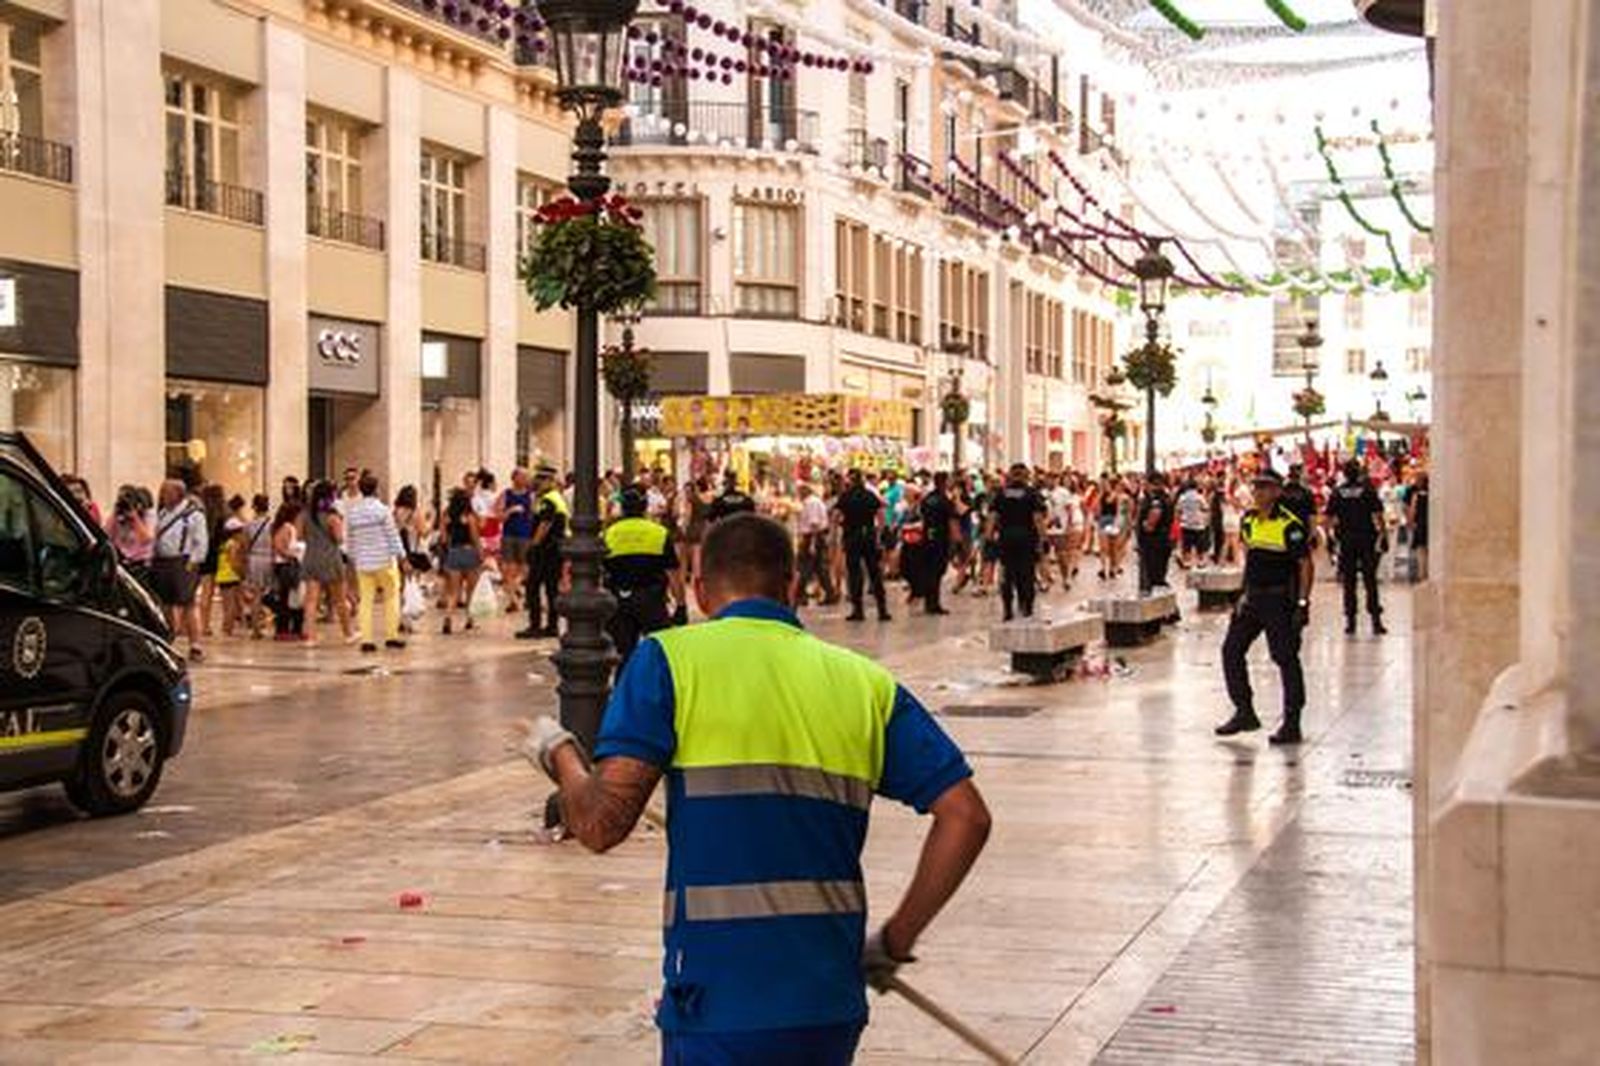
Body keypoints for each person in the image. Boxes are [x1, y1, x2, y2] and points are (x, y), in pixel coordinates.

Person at [523, 513, 991, 1065]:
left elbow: (600, 824)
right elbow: (966, 816)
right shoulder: (865, 683)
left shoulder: (669, 662)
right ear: (792, 586)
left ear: (699, 591)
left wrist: (559, 753)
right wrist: (894, 941)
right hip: (827, 1004)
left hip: (720, 1001)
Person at [1215, 468, 1314, 746]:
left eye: (1265, 487)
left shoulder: (1289, 525)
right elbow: (1251, 558)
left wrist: (1303, 602)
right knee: (1231, 650)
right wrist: (1243, 594)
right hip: (1253, 598)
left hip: (1280, 599)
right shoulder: (1248, 520)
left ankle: (1292, 722)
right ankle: (1244, 711)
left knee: (1284, 658)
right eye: (1256, 487)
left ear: (1277, 492)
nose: (1258, 492)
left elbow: (1305, 564)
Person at [602, 485, 682, 673]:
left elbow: (600, 569)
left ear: (623, 508)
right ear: (644, 507)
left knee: (623, 655)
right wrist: (681, 605)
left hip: (619, 600)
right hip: (651, 600)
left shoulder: (609, 533)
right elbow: (673, 574)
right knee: (664, 651)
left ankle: (624, 694)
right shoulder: (659, 532)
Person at [344, 472, 408, 653]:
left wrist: (352, 559)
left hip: (363, 563)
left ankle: (367, 640)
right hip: (384, 561)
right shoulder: (383, 510)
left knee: (366, 600)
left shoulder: (354, 513)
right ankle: (391, 636)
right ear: (376, 490)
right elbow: (392, 535)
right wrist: (402, 557)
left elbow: (351, 539)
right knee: (391, 596)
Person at [1325, 459, 1388, 636]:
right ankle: (1376, 620)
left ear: (1344, 473)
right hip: (1366, 538)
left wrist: (1330, 539)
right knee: (1370, 580)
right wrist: (1383, 536)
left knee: (1349, 582)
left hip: (1346, 540)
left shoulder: (1338, 492)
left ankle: (1351, 621)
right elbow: (1378, 515)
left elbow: (1329, 518)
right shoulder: (1367, 490)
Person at [151, 479, 208, 660]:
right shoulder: (162, 513)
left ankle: (196, 645)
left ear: (178, 494)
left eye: (166, 492)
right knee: (166, 604)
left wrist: (192, 563)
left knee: (189, 604)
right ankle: (168, 642)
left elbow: (201, 542)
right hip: (162, 562)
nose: (162, 496)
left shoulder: (193, 515)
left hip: (183, 563)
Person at [986, 464, 1046, 622]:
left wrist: (988, 538)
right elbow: (1038, 518)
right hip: (1026, 538)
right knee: (1027, 573)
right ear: (1026, 476)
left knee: (1007, 573)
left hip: (1006, 538)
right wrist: (1043, 539)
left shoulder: (1001, 494)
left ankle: (1007, 608)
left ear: (1011, 476)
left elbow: (992, 517)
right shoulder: (1032, 493)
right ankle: (1027, 607)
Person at [301, 480, 354, 646]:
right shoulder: (333, 517)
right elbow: (339, 539)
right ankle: (348, 634)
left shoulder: (306, 516)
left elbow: (300, 536)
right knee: (339, 599)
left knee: (311, 601)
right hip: (330, 559)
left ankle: (310, 637)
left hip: (311, 558)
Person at [834, 468, 891, 622]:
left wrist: (838, 529)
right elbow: (881, 515)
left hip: (852, 537)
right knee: (874, 572)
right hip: (869, 537)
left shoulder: (845, 496)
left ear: (851, 481)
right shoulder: (870, 495)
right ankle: (882, 610)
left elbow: (836, 516)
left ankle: (858, 611)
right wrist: (879, 534)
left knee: (855, 574)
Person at [518, 467, 568, 639]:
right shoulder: (554, 498)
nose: (535, 484)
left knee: (533, 587)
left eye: (539, 481)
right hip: (555, 550)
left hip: (546, 550)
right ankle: (552, 626)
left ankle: (535, 625)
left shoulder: (548, 500)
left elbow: (544, 524)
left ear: (548, 481)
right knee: (551, 589)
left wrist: (534, 545)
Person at [439, 487, 482, 636]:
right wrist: (481, 554)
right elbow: (475, 537)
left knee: (454, 592)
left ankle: (448, 617)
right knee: (470, 590)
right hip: (469, 552)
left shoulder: (446, 516)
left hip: (454, 552)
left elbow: (443, 538)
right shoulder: (469, 516)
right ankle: (470, 619)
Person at [919, 471, 958, 615]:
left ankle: (929, 602)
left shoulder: (928, 499)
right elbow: (952, 521)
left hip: (927, 537)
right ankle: (934, 604)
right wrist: (955, 540)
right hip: (940, 538)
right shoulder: (945, 501)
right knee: (937, 571)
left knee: (929, 570)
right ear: (944, 482)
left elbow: (923, 517)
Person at [498, 468, 535, 615]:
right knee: (509, 569)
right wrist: (510, 511)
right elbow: (498, 516)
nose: (526, 479)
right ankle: (513, 600)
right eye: (523, 476)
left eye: (527, 476)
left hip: (525, 535)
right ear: (514, 478)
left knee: (526, 569)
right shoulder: (506, 494)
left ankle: (520, 589)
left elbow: (533, 515)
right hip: (509, 535)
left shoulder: (530, 496)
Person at [794, 481, 837, 607]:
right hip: (816, 537)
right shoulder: (815, 501)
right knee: (819, 568)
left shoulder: (811, 503)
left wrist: (812, 543)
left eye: (800, 491)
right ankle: (830, 593)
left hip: (812, 537)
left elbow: (814, 523)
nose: (798, 494)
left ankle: (800, 595)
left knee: (803, 567)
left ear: (805, 490)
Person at [269, 499, 305, 640]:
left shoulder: (289, 527)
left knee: (292, 598)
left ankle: (293, 628)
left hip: (286, 565)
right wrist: (291, 555)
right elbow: (278, 545)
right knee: (289, 598)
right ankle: (284, 629)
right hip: (286, 566)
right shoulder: (287, 527)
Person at [213, 495, 247, 637]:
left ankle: (226, 627)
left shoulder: (223, 544)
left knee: (227, 605)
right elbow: (234, 561)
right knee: (231, 605)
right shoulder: (234, 544)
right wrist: (240, 573)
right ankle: (227, 629)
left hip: (221, 576)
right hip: (231, 576)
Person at [1136, 472, 1174, 594]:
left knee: (1155, 576)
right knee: (1159, 575)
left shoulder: (1156, 499)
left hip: (1154, 542)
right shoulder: (1166, 497)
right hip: (1162, 540)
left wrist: (1146, 525)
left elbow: (1155, 514)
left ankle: (1164, 607)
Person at [1175, 477, 1210, 569]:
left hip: (1186, 524)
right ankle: (1200, 562)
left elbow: (1178, 510)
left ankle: (1187, 562)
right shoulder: (1199, 497)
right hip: (1198, 525)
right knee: (1200, 546)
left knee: (1187, 545)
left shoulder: (1182, 497)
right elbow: (1206, 508)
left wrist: (1177, 521)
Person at [1407, 471, 1430, 582]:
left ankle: (1423, 577)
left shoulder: (1416, 496)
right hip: (1430, 526)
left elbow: (1412, 512)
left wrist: (1410, 524)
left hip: (1420, 526)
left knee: (1421, 553)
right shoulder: (1433, 495)